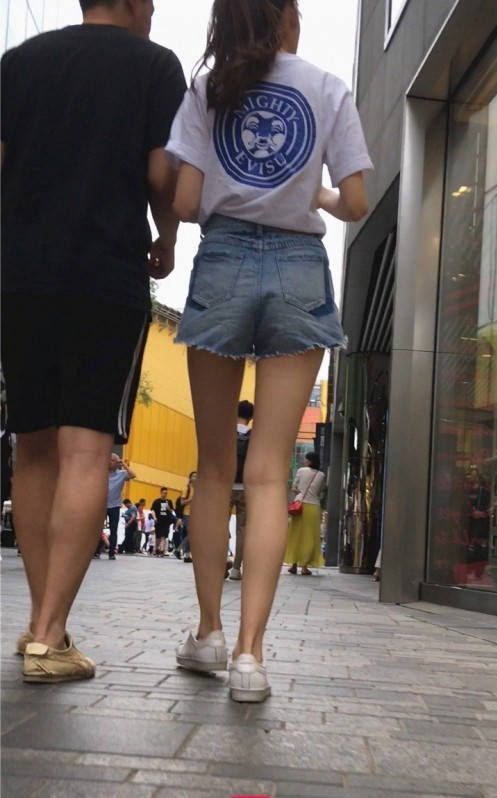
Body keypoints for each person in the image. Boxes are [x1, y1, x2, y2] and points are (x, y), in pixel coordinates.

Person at [166, 0, 371, 701]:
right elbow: (356, 202)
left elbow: (186, 201)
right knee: (269, 472)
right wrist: (309, 192)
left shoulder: (208, 88)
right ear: (284, 15)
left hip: (222, 260)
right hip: (298, 268)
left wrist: (233, 193)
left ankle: (208, 634)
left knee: (214, 467)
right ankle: (251, 657)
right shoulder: (327, 88)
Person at [1, 0, 186, 683]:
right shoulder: (154, 66)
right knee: (86, 450)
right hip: (103, 276)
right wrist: (167, 235)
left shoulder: (19, 62)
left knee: (32, 446)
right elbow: (162, 174)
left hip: (19, 277)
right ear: (134, 2)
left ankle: (39, 625)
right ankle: (50, 636)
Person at [285, 451, 325, 575]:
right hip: (313, 507)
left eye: (305, 459)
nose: (304, 461)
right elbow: (320, 492)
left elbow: (294, 488)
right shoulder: (321, 475)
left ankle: (294, 565)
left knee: (296, 535)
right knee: (310, 537)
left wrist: (300, 492)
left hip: (300, 507)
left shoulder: (301, 471)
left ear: (310, 461)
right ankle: (304, 567)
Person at [229, 400, 254, 580]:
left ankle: (220, 562)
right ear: (251, 417)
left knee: (220, 526)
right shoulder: (254, 436)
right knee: (242, 529)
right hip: (246, 488)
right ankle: (236, 569)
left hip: (226, 487)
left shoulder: (227, 433)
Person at [106, 454, 136, 560]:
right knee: (96, 529)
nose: (110, 462)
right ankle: (95, 551)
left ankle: (111, 553)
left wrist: (124, 465)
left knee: (113, 530)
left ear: (117, 463)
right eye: (109, 460)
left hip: (115, 506)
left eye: (113, 460)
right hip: (101, 505)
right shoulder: (101, 472)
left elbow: (133, 475)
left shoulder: (122, 474)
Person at [177, 472, 197, 563]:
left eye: (197, 476)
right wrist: (191, 499)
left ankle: (187, 556)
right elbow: (182, 502)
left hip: (196, 514)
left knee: (191, 535)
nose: (196, 478)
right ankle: (178, 549)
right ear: (190, 478)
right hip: (187, 514)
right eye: (194, 476)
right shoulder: (186, 489)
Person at [151, 487, 175, 556]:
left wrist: (168, 508)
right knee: (158, 536)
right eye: (164, 493)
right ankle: (157, 550)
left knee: (164, 536)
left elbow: (172, 511)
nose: (165, 494)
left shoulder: (169, 501)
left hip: (166, 522)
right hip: (158, 521)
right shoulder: (156, 501)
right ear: (161, 493)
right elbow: (152, 510)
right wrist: (154, 517)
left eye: (166, 493)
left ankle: (162, 550)